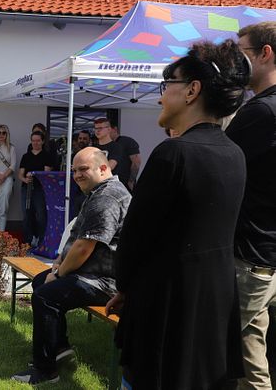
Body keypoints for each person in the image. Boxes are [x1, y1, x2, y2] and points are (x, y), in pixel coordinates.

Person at [107, 40, 250, 388]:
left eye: (166, 84)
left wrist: (123, 288)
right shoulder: (234, 154)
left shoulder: (173, 154)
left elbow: (135, 238)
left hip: (166, 308)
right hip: (214, 305)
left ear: (192, 91)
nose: (160, 96)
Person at [12, 147, 131, 384]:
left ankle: (45, 371)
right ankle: (59, 347)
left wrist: (58, 274)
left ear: (104, 168)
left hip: (106, 283)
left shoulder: (107, 197)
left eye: (83, 169)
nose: (76, 175)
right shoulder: (99, 192)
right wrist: (57, 265)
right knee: (39, 281)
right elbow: (75, 238)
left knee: (46, 295)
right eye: (74, 170)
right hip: (92, 272)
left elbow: (84, 247)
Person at [226, 22, 276, 388]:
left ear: (265, 53)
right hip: (263, 252)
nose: (235, 61)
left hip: (250, 254)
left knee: (214, 342)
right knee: (249, 349)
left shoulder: (262, 112)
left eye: (242, 51)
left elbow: (217, 163)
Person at [18, 131, 53, 247]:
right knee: (26, 215)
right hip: (26, 189)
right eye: (33, 141)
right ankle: (27, 241)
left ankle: (41, 239)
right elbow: (20, 175)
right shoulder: (26, 156)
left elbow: (46, 173)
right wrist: (25, 179)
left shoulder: (47, 155)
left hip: (40, 189)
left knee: (41, 215)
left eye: (38, 140)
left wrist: (34, 174)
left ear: (42, 141)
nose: (35, 143)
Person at [93, 118, 130, 190]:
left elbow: (110, 166)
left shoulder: (116, 147)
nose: (97, 130)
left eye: (100, 128)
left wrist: (93, 170)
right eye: (96, 128)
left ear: (109, 129)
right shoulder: (92, 148)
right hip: (94, 186)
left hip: (109, 186)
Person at [109, 121, 142, 191]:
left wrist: (131, 181)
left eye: (108, 129)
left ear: (114, 129)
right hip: (111, 185)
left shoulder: (127, 141)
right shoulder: (108, 145)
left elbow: (136, 162)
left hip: (124, 184)